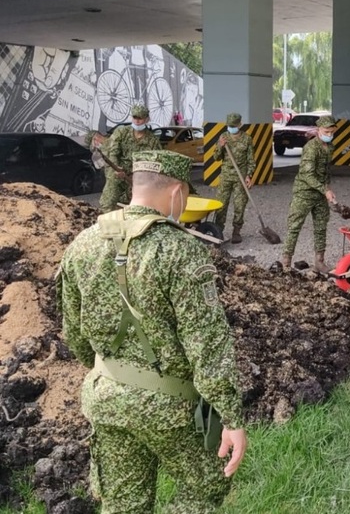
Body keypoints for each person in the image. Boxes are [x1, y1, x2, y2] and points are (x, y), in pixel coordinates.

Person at [57, 150, 247, 513]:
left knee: (123, 505)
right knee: (208, 484)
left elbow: (74, 334)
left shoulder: (82, 244)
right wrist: (231, 417)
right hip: (169, 407)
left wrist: (113, 374)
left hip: (106, 399)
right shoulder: (181, 250)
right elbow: (207, 342)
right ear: (177, 193)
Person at [282, 115, 338, 273]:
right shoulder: (311, 148)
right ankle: (286, 263)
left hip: (320, 194)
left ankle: (319, 262)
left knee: (321, 227)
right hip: (304, 193)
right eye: (326, 132)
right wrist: (325, 190)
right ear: (318, 130)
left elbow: (326, 170)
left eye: (332, 132)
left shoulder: (330, 147)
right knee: (294, 227)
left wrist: (328, 187)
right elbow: (308, 175)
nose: (329, 135)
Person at [99, 104, 161, 213]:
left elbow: (155, 163)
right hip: (118, 172)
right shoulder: (122, 132)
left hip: (139, 178)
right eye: (135, 117)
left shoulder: (153, 141)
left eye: (140, 118)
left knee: (143, 206)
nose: (137, 121)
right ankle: (106, 217)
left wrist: (138, 176)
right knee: (108, 201)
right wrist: (117, 168)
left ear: (146, 119)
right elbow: (113, 152)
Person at [214, 113, 256, 244]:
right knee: (221, 205)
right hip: (226, 176)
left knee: (240, 205)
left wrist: (249, 175)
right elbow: (216, 158)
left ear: (240, 124)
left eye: (233, 125)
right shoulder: (223, 137)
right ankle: (218, 230)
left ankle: (236, 231)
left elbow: (251, 160)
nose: (231, 128)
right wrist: (220, 146)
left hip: (240, 177)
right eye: (229, 125)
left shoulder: (247, 139)